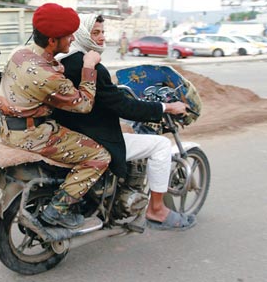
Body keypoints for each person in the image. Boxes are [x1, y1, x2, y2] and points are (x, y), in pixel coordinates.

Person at [53, 13, 196, 230]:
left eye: (103, 32)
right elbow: (122, 106)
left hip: (68, 131)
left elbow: (105, 100)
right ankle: (156, 210)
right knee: (161, 145)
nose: (102, 37)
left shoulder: (62, 63)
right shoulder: (91, 67)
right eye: (96, 32)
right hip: (93, 137)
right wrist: (166, 107)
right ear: (81, 34)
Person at [0, 3, 111, 229]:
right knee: (100, 157)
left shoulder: (20, 54)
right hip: (34, 135)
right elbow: (84, 105)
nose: (71, 39)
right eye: (68, 36)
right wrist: (89, 67)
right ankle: (57, 210)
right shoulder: (46, 75)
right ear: (52, 40)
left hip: (9, 129)